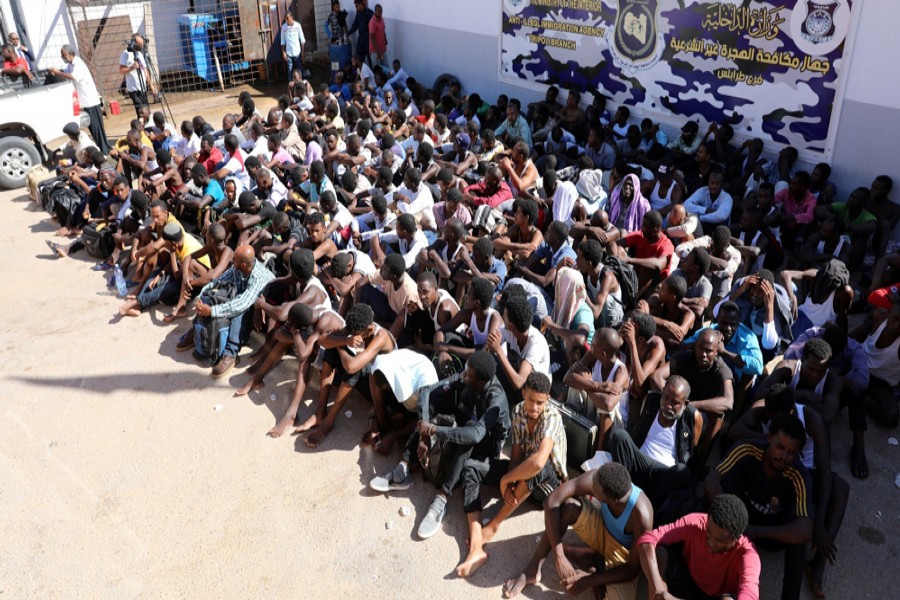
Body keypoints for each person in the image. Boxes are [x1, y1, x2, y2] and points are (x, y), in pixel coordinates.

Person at [370, 351, 510, 541]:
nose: (463, 375)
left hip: (485, 445)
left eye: (468, 375)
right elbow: (427, 391)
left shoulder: (496, 399)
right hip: (465, 421)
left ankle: (443, 497)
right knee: (433, 403)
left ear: (480, 382)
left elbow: (476, 434)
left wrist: (434, 430)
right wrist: (424, 436)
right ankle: (403, 468)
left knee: (469, 433)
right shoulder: (469, 373)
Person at [730, 384, 849, 599]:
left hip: (805, 476)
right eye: (774, 421)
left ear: (792, 411)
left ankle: (817, 565)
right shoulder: (766, 410)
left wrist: (820, 524)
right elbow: (735, 431)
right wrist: (770, 446)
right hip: (775, 470)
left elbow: (823, 472)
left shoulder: (812, 419)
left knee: (838, 488)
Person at [457, 372, 566, 577]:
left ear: (548, 400)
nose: (534, 407)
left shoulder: (552, 417)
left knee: (537, 466)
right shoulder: (517, 411)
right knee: (471, 467)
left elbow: (539, 461)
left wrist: (507, 480)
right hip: (523, 475)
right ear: (523, 392)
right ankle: (476, 540)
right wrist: (509, 485)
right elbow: (516, 455)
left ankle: (494, 525)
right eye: (531, 400)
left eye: (540, 403)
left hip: (549, 488)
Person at [502, 463, 653, 599]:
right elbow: (551, 501)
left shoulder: (642, 514)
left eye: (596, 490)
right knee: (567, 507)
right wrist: (559, 555)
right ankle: (533, 569)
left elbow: (633, 568)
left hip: (622, 553)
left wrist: (589, 581)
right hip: (602, 528)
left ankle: (594, 565)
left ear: (613, 500)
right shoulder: (599, 478)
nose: (591, 486)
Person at [705, 414, 812, 600]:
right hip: (736, 520)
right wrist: (731, 518)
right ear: (769, 438)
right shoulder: (747, 449)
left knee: (798, 543)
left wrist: (755, 531)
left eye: (791, 452)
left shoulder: (799, 476)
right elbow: (711, 480)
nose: (784, 456)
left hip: (769, 532)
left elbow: (805, 530)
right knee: (706, 504)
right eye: (780, 447)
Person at [295, 303, 395, 447]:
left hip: (381, 389)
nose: (353, 335)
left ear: (369, 330)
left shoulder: (381, 336)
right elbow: (322, 340)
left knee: (355, 367)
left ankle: (328, 423)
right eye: (351, 332)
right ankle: (320, 413)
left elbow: (351, 366)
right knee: (331, 350)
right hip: (365, 379)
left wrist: (341, 344)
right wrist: (344, 339)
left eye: (356, 334)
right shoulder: (357, 326)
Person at [175, 245, 275, 378]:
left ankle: (231, 353)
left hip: (258, 313)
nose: (232, 261)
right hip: (242, 299)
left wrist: (211, 311)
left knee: (240, 309)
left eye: (235, 260)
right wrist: (201, 298)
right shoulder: (237, 268)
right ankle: (198, 331)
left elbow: (242, 304)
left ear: (244, 264)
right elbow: (217, 282)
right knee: (213, 295)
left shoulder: (259, 277)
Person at [637, 493, 760, 600]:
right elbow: (647, 540)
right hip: (687, 583)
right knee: (660, 553)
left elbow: (750, 594)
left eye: (719, 540)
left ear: (736, 538)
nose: (711, 542)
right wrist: (657, 587)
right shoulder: (696, 523)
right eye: (709, 533)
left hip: (717, 596)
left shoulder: (748, 555)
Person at [608, 375, 703, 505]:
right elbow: (637, 432)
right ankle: (622, 489)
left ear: (685, 404)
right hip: (640, 460)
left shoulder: (693, 417)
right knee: (620, 436)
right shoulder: (651, 401)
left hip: (664, 473)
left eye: (674, 403)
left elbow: (693, 455)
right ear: (662, 392)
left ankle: (650, 504)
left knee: (682, 471)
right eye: (666, 398)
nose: (668, 405)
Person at [563, 328, 629, 447]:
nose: (590, 347)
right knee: (576, 384)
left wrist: (587, 383)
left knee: (605, 404)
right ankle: (570, 428)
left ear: (603, 353)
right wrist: (596, 385)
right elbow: (568, 377)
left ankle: (599, 452)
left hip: (614, 423)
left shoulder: (621, 371)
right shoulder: (594, 355)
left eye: (592, 345)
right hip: (595, 405)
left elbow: (608, 405)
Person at [48, 45, 110, 154]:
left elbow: (72, 76)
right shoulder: (71, 65)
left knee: (97, 129)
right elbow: (66, 71)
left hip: (90, 101)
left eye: (63, 55)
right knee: (94, 130)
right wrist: (56, 70)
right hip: (85, 102)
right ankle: (104, 149)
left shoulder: (78, 64)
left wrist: (58, 72)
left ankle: (105, 151)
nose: (62, 57)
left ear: (70, 54)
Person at [616, 210, 674, 298]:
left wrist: (628, 260)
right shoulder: (640, 235)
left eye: (644, 226)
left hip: (655, 284)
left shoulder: (666, 245)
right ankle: (619, 287)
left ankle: (631, 297)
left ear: (654, 230)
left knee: (649, 268)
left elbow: (658, 264)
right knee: (619, 249)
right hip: (636, 276)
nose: (641, 228)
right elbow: (617, 243)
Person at [119, 33, 155, 117]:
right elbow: (121, 70)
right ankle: (141, 128)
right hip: (134, 89)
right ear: (134, 43)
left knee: (147, 111)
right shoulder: (125, 54)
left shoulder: (139, 54)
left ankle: (147, 128)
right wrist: (131, 68)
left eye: (142, 45)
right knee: (142, 113)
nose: (141, 47)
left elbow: (145, 70)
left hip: (143, 87)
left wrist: (151, 86)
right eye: (139, 45)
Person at [280, 12, 305, 81]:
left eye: (288, 18)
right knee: (290, 71)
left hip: (298, 53)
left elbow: (302, 39)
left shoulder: (297, 25)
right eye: (285, 19)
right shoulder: (284, 27)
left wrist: (303, 52)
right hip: (289, 53)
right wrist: (283, 52)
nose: (287, 20)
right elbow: (282, 41)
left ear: (291, 17)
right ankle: (291, 87)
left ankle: (301, 87)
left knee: (299, 71)